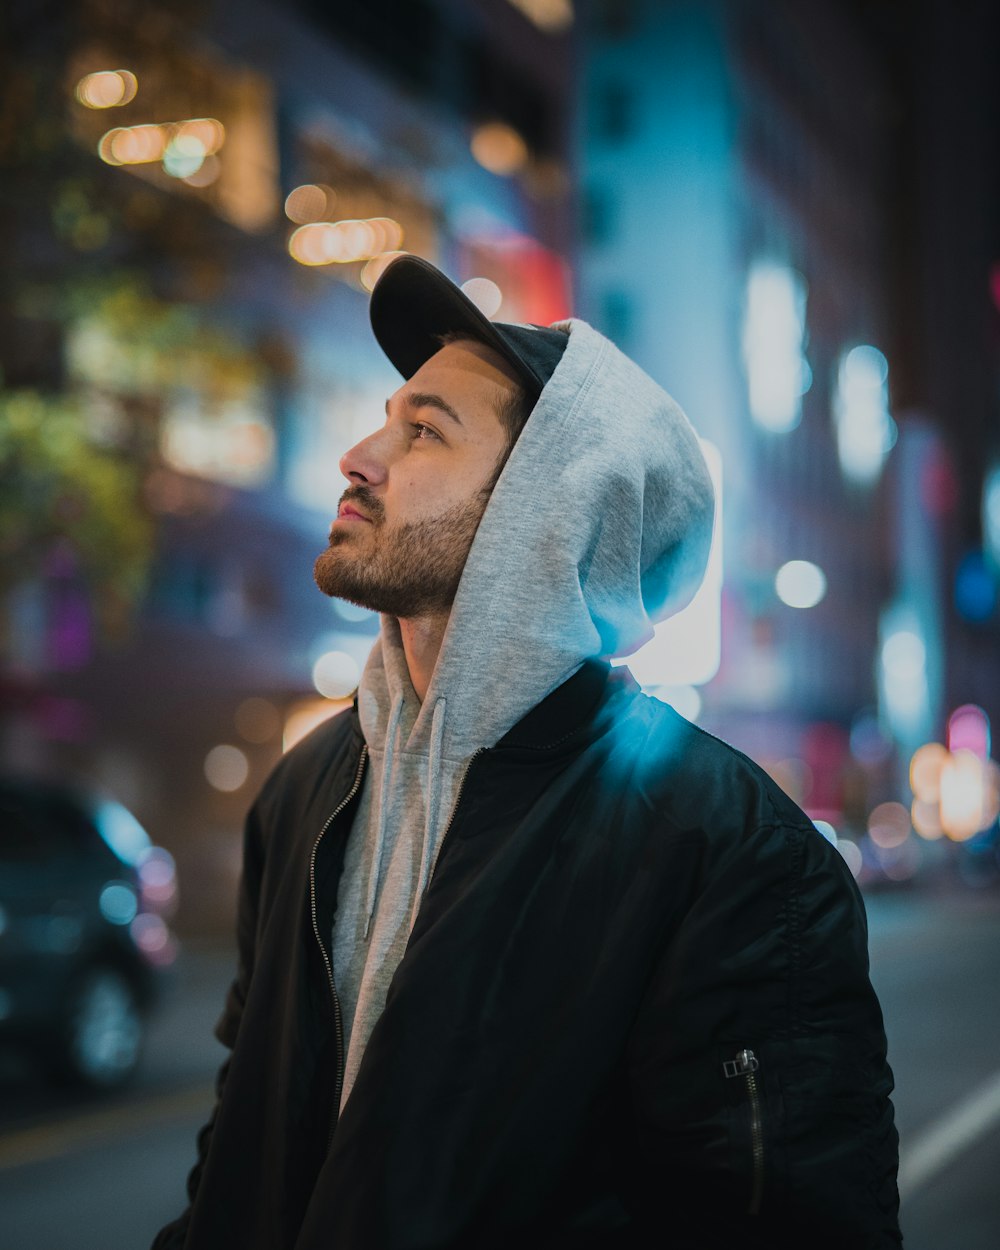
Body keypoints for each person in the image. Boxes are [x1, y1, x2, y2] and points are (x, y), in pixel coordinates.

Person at [154, 255, 901, 1249]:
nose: (359, 455)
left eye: (422, 431)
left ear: (552, 507)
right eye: (387, 417)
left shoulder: (724, 849)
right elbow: (241, 1137)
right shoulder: (305, 788)